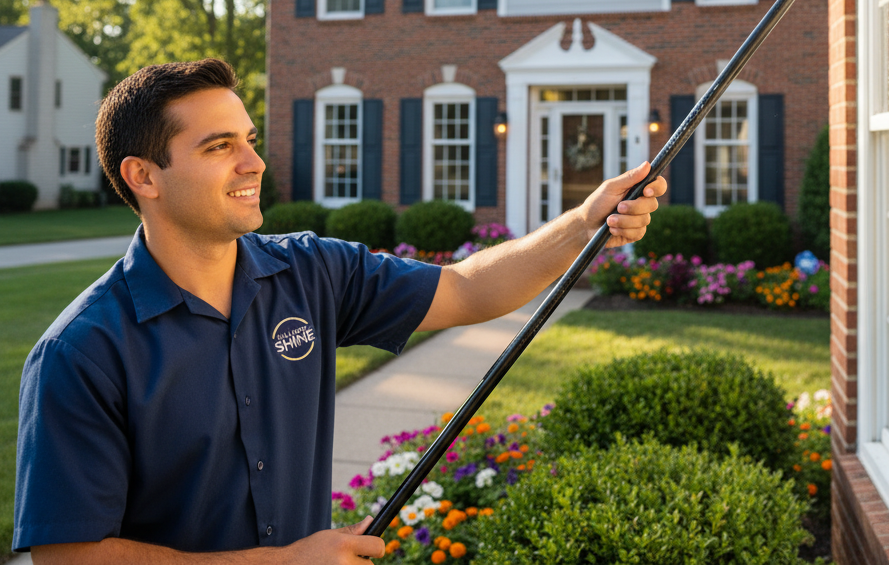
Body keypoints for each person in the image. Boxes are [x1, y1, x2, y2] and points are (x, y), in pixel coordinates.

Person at [14, 59, 666, 564]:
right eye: (219, 147)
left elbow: (467, 289)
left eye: (248, 138)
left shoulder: (313, 271)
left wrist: (583, 224)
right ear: (144, 176)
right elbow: (71, 553)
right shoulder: (82, 351)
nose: (254, 162)